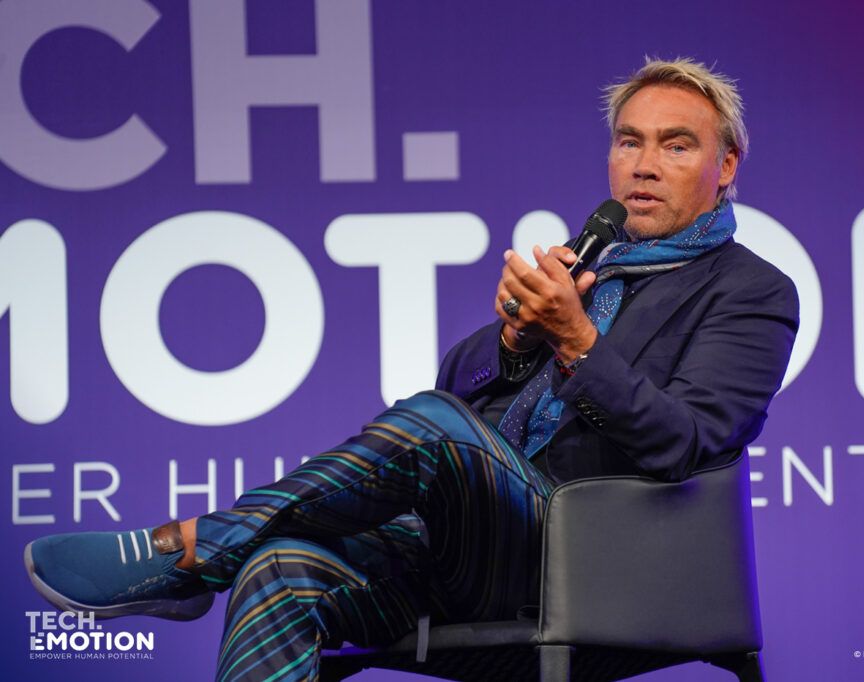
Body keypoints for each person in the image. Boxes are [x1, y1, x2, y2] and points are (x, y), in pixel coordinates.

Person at [24, 57, 798, 681]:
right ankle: (221, 553)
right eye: (629, 142)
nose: (645, 165)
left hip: (602, 558)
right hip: (463, 550)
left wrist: (576, 342)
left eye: (676, 145)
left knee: (432, 427)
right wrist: (515, 340)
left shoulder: (750, 291)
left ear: (725, 165)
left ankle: (186, 552)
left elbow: (686, 443)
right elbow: (455, 392)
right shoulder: (587, 262)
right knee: (280, 569)